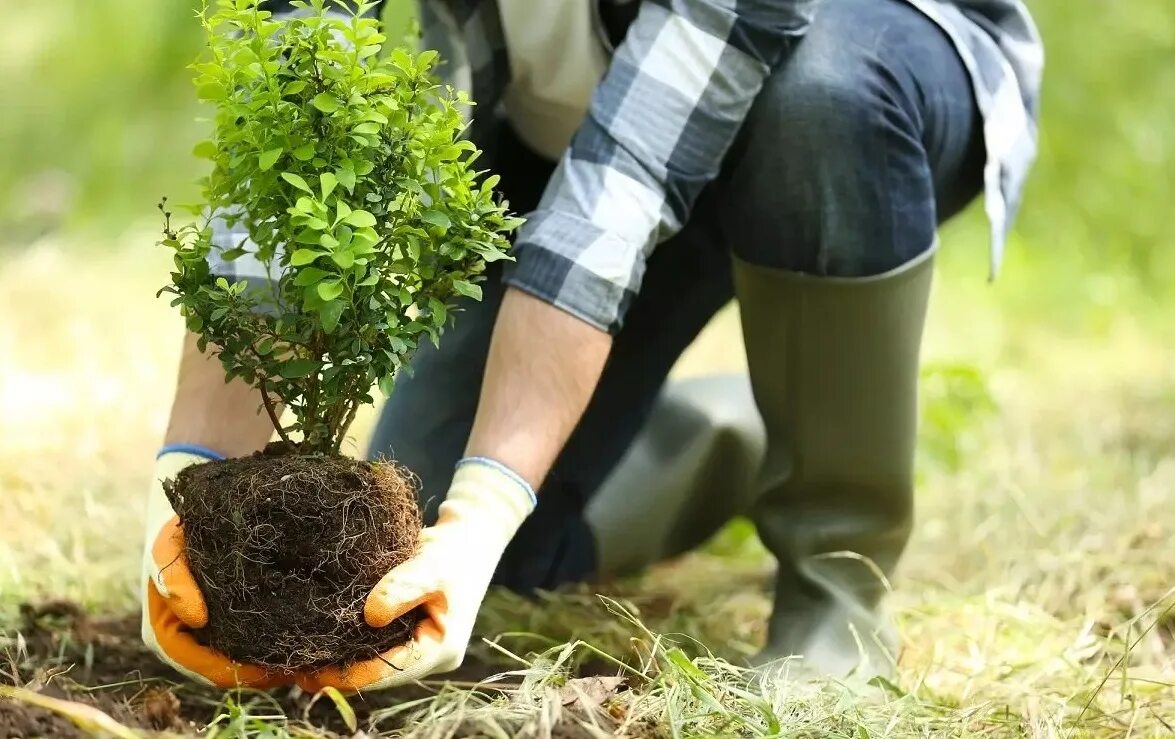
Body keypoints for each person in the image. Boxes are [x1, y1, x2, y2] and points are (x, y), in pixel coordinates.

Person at [142, 0, 1043, 690]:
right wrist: (189, 482)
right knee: (441, 544)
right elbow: (296, 102)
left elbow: (623, 185)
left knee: (821, 101)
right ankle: (744, 431)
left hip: (846, 82)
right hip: (568, 129)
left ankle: (834, 582)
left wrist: (486, 503)